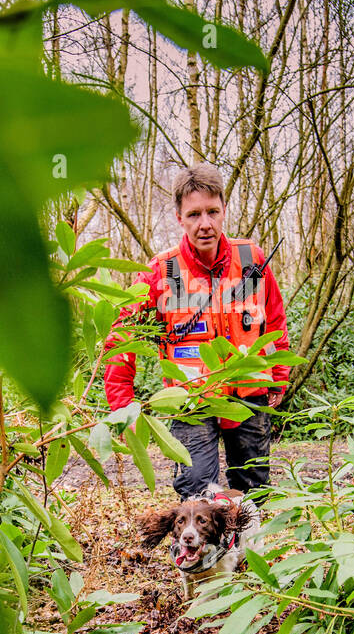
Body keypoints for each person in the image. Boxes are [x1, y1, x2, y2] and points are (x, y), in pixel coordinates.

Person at [103, 163, 291, 500]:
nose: (204, 224)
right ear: (179, 217)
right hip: (191, 401)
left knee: (252, 494)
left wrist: (278, 375)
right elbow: (122, 336)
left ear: (224, 211)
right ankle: (204, 555)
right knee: (196, 495)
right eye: (193, 215)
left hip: (250, 394)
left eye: (212, 212)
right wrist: (123, 405)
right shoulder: (159, 271)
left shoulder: (252, 258)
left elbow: (273, 320)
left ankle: (246, 553)